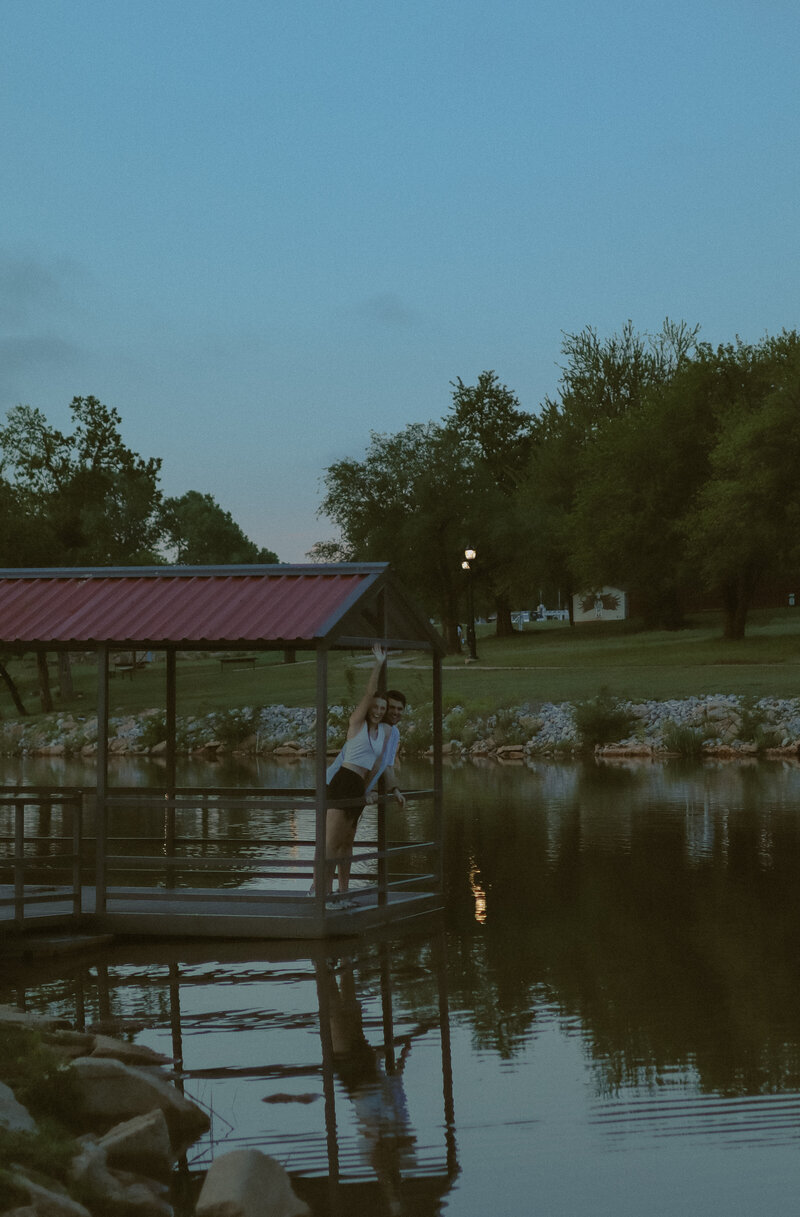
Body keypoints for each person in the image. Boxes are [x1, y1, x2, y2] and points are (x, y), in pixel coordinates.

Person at [318, 645, 398, 901]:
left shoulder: (382, 734)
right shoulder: (357, 725)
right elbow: (369, 692)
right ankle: (323, 893)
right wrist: (379, 663)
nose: (379, 711)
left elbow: (380, 765)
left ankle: (343, 891)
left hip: (358, 785)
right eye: (375, 707)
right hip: (343, 780)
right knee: (331, 843)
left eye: (383, 709)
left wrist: (371, 789)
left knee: (346, 843)